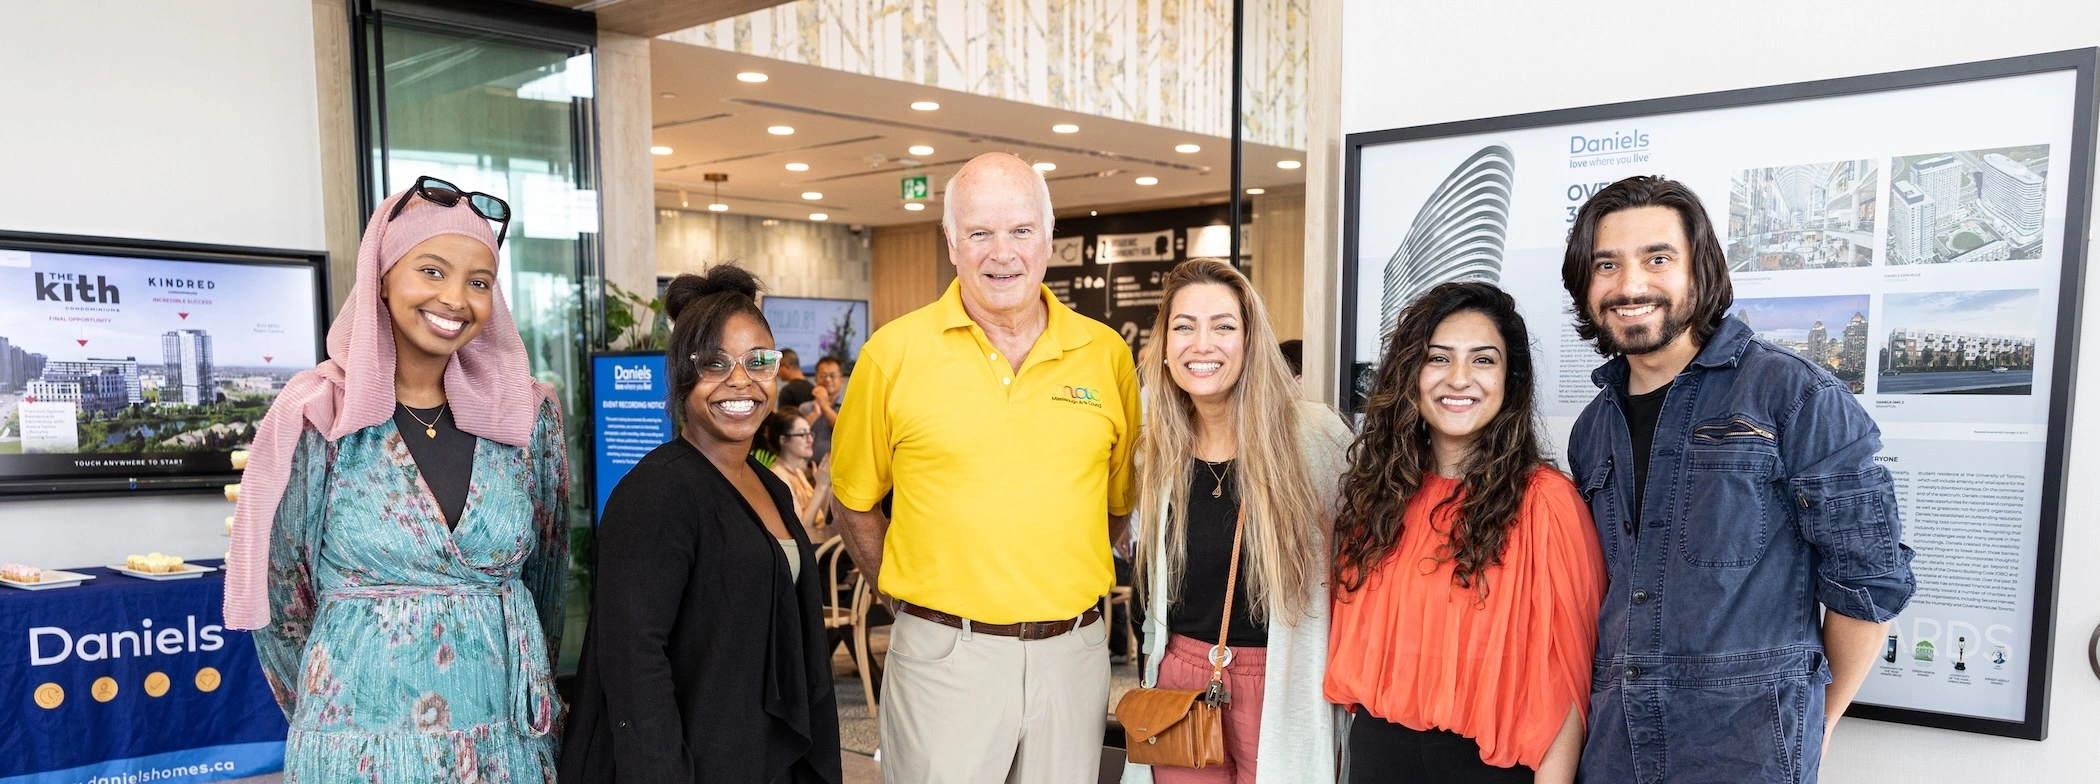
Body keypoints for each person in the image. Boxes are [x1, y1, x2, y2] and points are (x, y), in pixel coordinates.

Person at [1560, 176, 1915, 783]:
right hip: (1616, 753)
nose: (1630, 285)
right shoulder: (1593, 428)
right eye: (1606, 265)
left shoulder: (1795, 396)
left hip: (1747, 758)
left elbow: (1870, 582)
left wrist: (1817, 720)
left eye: (1658, 258)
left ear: (1700, 270)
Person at [224, 179, 569, 778]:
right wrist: (338, 707)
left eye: (479, 281)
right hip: (360, 747)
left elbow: (547, 584)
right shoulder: (318, 414)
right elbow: (282, 603)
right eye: (431, 271)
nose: (456, 298)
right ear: (380, 278)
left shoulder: (526, 417)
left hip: (506, 743)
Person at [830, 151, 1139, 784]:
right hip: (943, 657)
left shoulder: (1105, 355)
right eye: (980, 233)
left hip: (1073, 657)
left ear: (1049, 238)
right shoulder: (893, 353)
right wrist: (911, 602)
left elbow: (1115, 505)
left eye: (1021, 230)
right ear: (951, 242)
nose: (1003, 253)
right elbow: (853, 500)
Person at [560, 266, 842, 783]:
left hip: (763, 756)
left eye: (759, 361)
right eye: (715, 363)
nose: (741, 381)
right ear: (680, 375)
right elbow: (635, 662)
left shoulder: (769, 485)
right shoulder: (657, 493)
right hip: (692, 763)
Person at [1323, 281, 1604, 784]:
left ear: (1509, 380)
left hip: (1487, 770)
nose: (1459, 379)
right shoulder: (1378, 497)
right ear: (1411, 375)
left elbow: (1566, 691)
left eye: (1483, 360)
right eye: (1438, 358)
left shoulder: (1546, 504)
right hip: (1376, 759)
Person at [1123, 259, 1352, 784]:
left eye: (1223, 326)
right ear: (1163, 347)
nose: (1202, 344)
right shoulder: (1157, 455)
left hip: (1284, 680)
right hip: (1180, 683)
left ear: (1251, 342)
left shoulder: (1315, 441)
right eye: (1184, 326)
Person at [761, 408, 834, 541]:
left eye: (810, 433)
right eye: (802, 434)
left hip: (818, 546)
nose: (810, 439)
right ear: (783, 440)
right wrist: (821, 486)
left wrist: (825, 485)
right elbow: (801, 527)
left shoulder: (798, 472)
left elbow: (819, 517)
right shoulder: (778, 475)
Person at [804, 355, 845, 461]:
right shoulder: (805, 407)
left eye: (832, 375)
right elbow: (797, 434)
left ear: (841, 380)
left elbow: (845, 431)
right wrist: (815, 414)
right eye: (823, 375)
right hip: (806, 468)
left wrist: (825, 407)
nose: (827, 379)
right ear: (816, 379)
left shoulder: (848, 407)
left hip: (837, 470)